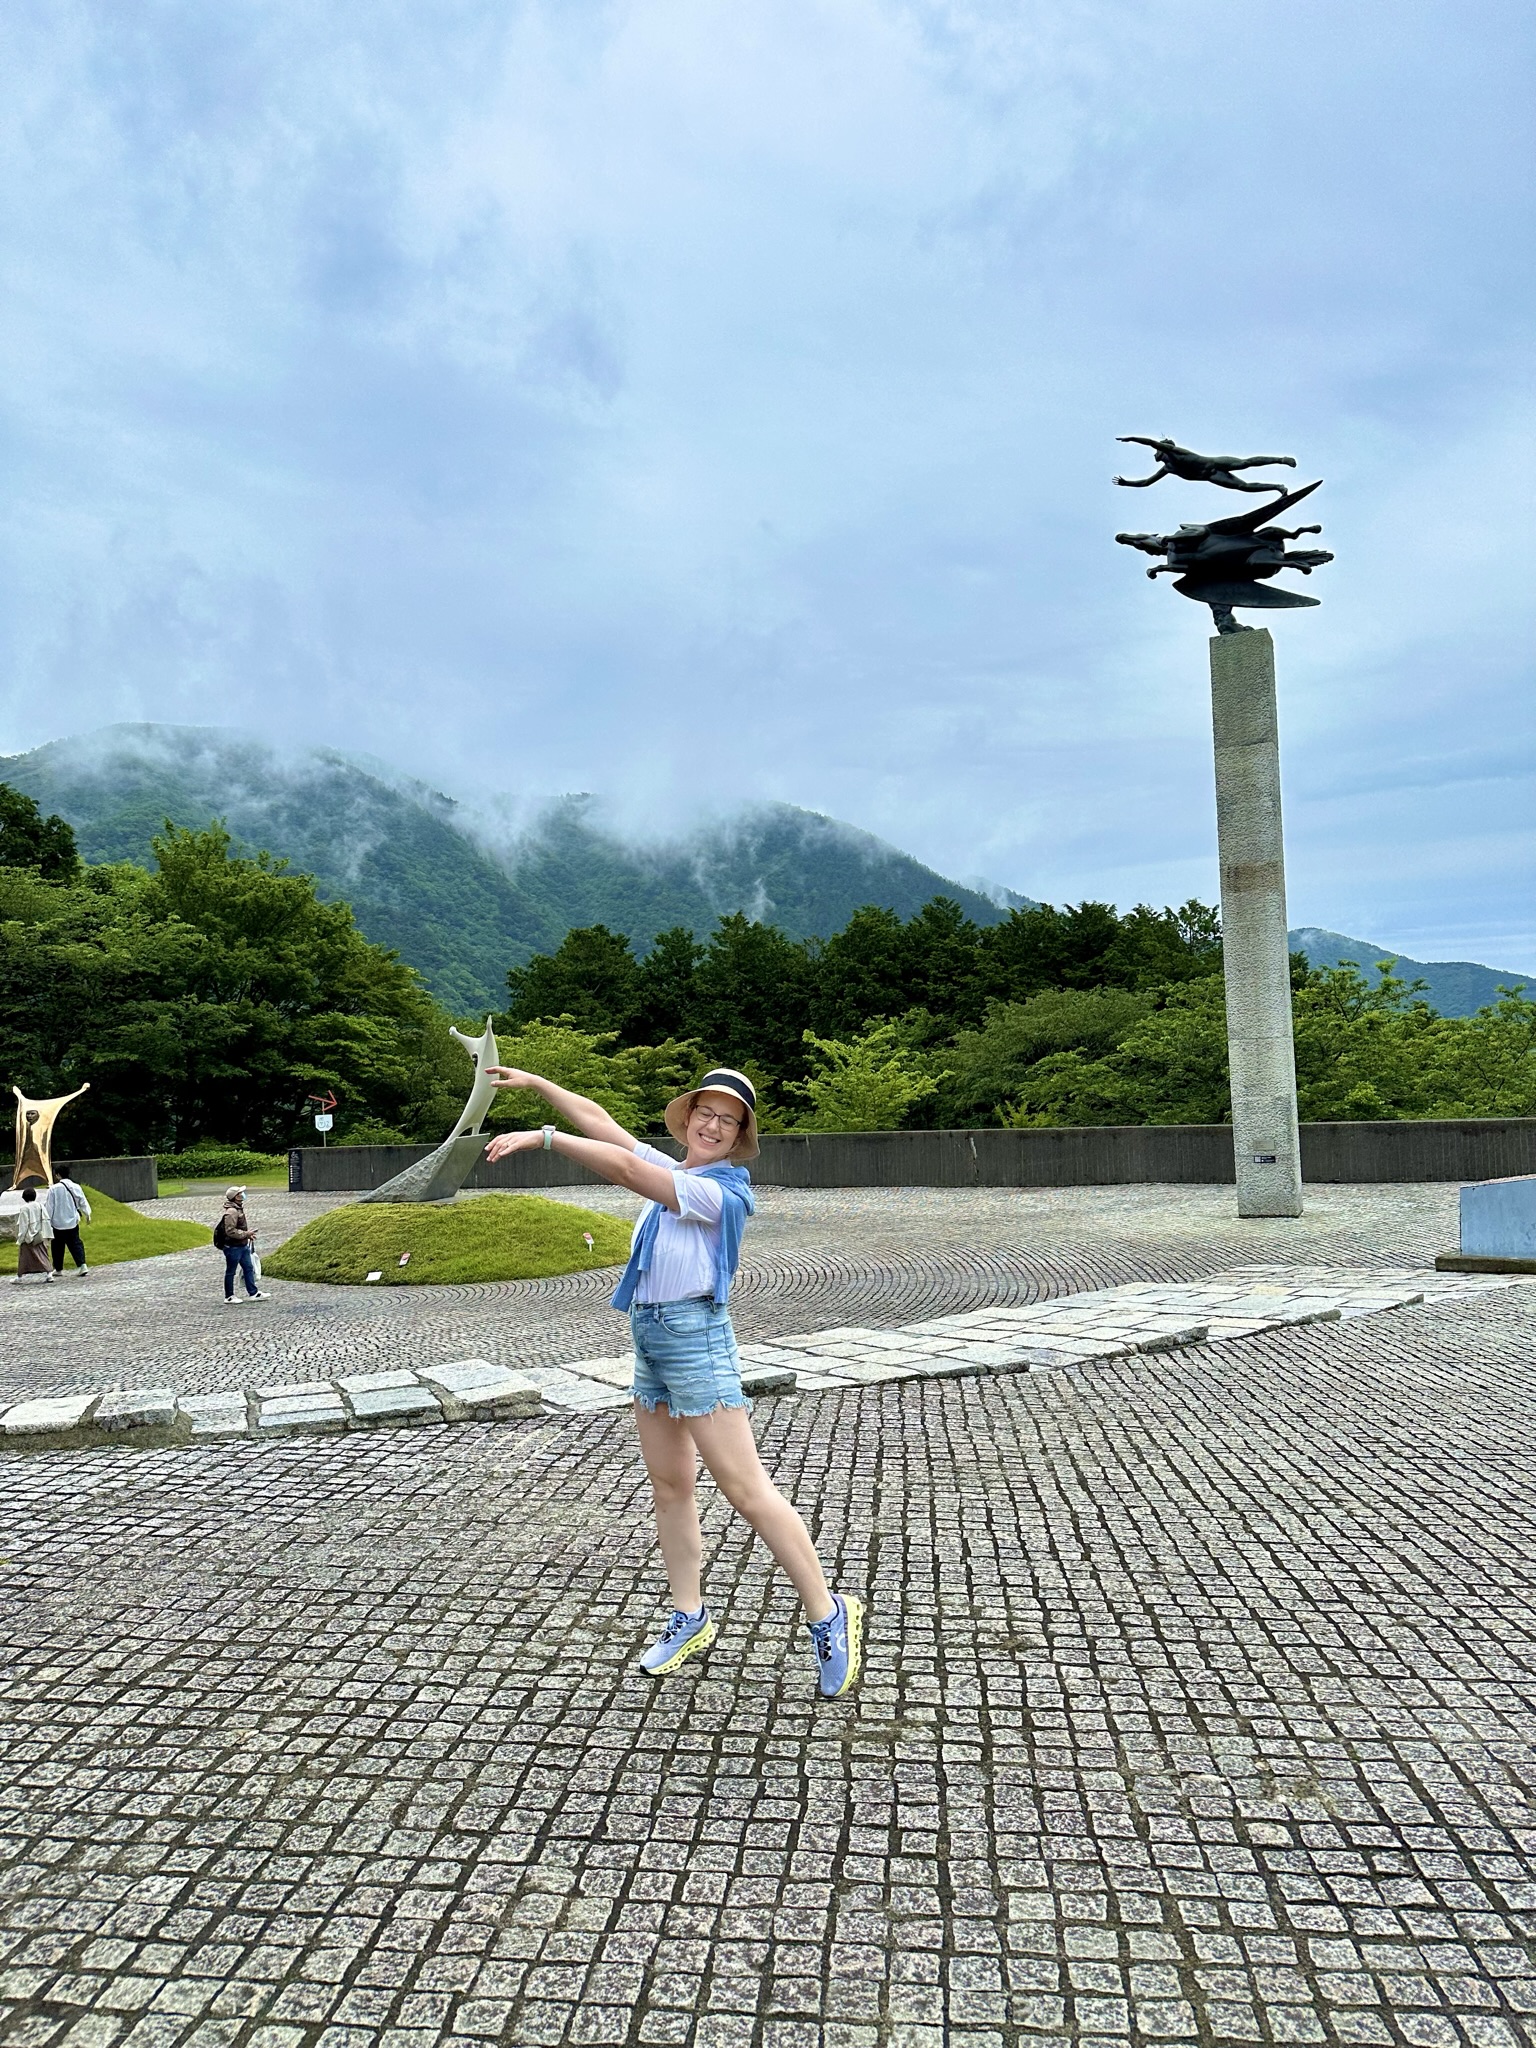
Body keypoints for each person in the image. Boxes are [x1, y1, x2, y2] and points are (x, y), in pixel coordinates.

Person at [483, 1063, 864, 1698]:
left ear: (739, 1135)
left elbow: (629, 1170)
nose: (713, 1125)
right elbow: (605, 1126)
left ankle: (828, 1614)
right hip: (652, 1341)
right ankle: (690, 1616)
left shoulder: (725, 1192)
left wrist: (542, 1138)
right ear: (687, 1119)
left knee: (745, 1489)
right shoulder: (678, 1171)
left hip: (697, 1341)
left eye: (729, 1119)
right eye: (705, 1113)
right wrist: (543, 1084)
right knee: (671, 1485)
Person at [217, 1186, 267, 1304]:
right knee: (231, 1271)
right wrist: (246, 1234)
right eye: (240, 1193)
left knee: (248, 1268)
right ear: (235, 1197)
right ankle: (229, 1296)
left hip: (242, 1245)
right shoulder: (231, 1212)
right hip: (233, 1247)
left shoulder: (238, 1209)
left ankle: (253, 1293)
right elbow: (230, 1231)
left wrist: (247, 1235)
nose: (243, 1195)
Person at [45, 1174, 92, 1275]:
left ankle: (58, 1269)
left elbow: (49, 1207)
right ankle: (82, 1265)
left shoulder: (53, 1189)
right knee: (75, 1243)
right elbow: (83, 1202)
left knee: (57, 1246)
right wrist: (88, 1214)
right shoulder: (76, 1186)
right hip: (72, 1221)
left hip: (57, 1222)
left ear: (58, 1175)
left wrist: (47, 1221)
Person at [12, 1185, 53, 1283]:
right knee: (43, 1255)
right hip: (39, 1236)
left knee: (24, 1258)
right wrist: (47, 1235)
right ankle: (49, 1274)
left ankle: (19, 1277)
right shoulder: (40, 1206)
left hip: (28, 1237)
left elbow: (23, 1225)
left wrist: (20, 1238)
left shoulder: (24, 1208)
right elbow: (45, 1220)